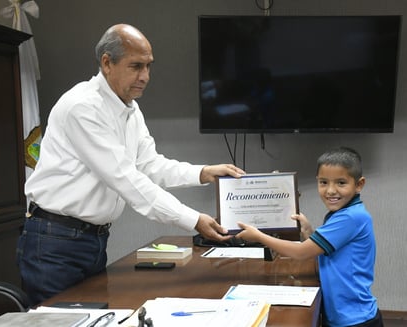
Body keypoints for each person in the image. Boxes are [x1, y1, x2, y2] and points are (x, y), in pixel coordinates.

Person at [17, 23, 245, 306]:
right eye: (136, 66)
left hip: (92, 240)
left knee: (93, 319)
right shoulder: (83, 106)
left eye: (149, 66)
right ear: (107, 63)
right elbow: (126, 180)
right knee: (62, 322)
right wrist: (193, 220)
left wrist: (202, 172)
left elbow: (149, 164)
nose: (145, 76)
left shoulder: (129, 107)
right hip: (55, 241)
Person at [236, 147, 382, 327]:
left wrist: (258, 235)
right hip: (341, 314)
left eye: (341, 183)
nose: (330, 190)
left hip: (354, 319)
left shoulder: (350, 217)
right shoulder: (343, 212)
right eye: (323, 182)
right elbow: (328, 253)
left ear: (359, 184)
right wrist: (309, 232)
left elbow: (301, 253)